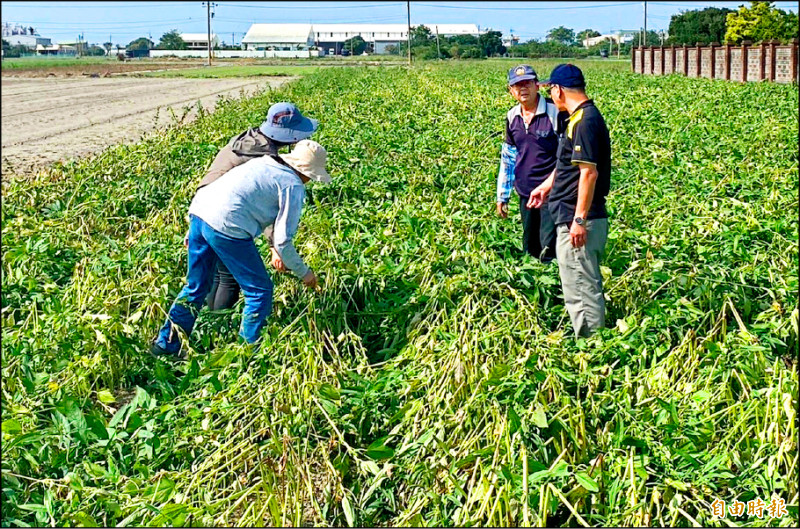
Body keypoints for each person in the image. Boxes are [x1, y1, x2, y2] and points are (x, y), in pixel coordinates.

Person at [151, 140, 331, 359]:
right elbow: (283, 240)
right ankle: (246, 355)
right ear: (307, 172)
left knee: (196, 286)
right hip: (227, 226)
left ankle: (164, 346)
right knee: (259, 291)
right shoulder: (292, 185)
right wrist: (305, 273)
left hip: (200, 211)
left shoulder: (265, 162)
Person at [195, 102, 318, 311]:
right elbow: (264, 199)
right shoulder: (263, 156)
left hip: (203, 207)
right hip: (224, 217)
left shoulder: (249, 139)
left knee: (216, 274)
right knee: (233, 280)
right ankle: (220, 330)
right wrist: (275, 248)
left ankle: (210, 327)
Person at [529, 64, 612, 338]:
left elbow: (589, 173)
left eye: (550, 89)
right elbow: (568, 164)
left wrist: (579, 219)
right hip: (570, 214)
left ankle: (591, 348)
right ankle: (586, 338)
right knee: (576, 283)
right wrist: (547, 186)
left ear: (558, 90)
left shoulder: (585, 121)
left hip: (578, 220)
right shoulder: (576, 118)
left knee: (582, 287)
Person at [496, 64, 567, 262]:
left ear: (538, 86)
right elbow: (509, 157)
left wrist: (553, 186)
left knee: (549, 246)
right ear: (511, 91)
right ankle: (534, 287)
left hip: (551, 194)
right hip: (525, 193)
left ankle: (553, 287)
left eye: (527, 83)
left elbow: (566, 156)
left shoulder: (555, 113)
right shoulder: (512, 116)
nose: (523, 88)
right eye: (517, 85)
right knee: (529, 244)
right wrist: (502, 195)